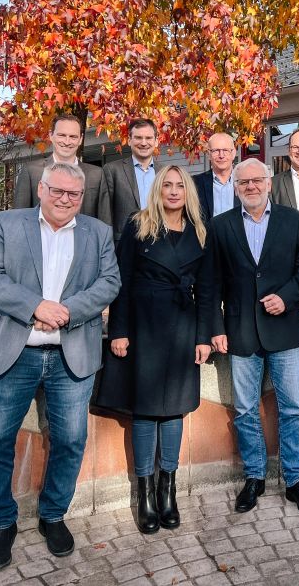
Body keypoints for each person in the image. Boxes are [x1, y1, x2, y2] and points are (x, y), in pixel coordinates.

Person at [0, 162, 120, 572]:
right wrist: (34, 306)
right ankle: (0, 522)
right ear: (41, 189)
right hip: (15, 352)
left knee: (71, 441)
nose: (65, 199)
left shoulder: (98, 233)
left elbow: (109, 283)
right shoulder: (7, 223)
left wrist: (67, 312)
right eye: (57, 191)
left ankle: (53, 514)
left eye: (73, 194)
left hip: (71, 354)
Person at [93, 165, 213, 534]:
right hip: (143, 324)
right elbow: (122, 282)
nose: (174, 191)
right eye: (168, 185)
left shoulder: (200, 231)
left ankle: (168, 491)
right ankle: (144, 495)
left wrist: (203, 336)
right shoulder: (137, 225)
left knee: (175, 408)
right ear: (158, 190)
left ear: (187, 192)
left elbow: (207, 290)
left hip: (182, 326)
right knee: (145, 410)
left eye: (180, 186)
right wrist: (119, 330)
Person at [202, 159, 299, 515]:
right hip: (240, 332)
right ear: (235, 188)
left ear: (269, 183)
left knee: (291, 409)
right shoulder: (221, 226)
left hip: (283, 330)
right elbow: (210, 283)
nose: (251, 186)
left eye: (257, 180)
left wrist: (286, 297)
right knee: (245, 410)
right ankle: (254, 477)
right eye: (244, 182)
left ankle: (295, 479)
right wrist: (215, 328)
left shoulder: (293, 220)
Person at [12, 113, 109, 220]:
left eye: (73, 137)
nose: (67, 142)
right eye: (62, 135)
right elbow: (19, 218)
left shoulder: (97, 175)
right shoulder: (32, 172)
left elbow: (105, 221)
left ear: (80, 139)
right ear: (51, 135)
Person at [99, 118, 159, 243]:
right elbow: (105, 214)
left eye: (148, 138)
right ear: (130, 141)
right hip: (124, 244)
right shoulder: (112, 170)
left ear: (156, 141)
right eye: (138, 138)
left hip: (160, 241)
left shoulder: (165, 172)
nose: (143, 143)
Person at [194, 132, 241, 222]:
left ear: (233, 153)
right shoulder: (195, 183)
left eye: (226, 150)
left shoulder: (245, 182)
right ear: (209, 154)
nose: (221, 155)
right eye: (216, 150)